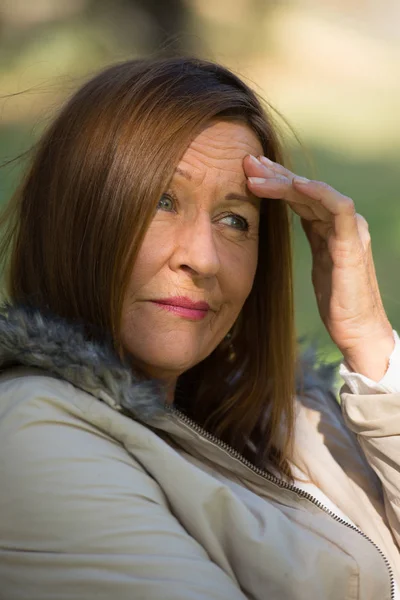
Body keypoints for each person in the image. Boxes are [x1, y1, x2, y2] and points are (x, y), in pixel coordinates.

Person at [0, 56, 398, 600]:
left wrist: (368, 341)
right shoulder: (34, 433)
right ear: (78, 219)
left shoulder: (295, 418)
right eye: (163, 201)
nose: (204, 260)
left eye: (235, 219)